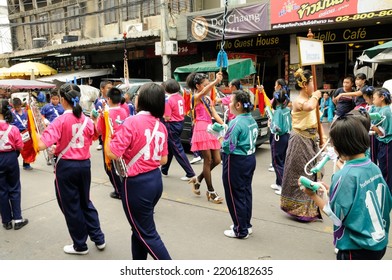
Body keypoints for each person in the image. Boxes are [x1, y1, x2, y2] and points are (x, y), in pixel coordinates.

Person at [302, 112, 392, 260]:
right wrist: (331, 190)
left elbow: (336, 216)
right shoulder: (374, 168)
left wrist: (313, 195)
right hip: (379, 244)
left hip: (356, 249)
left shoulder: (344, 175)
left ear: (337, 147)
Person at [37, 83, 105, 255]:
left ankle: (80, 245)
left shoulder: (59, 121)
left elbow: (40, 145)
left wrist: (36, 131)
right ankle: (98, 237)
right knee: (85, 201)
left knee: (71, 206)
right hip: (84, 165)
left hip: (66, 167)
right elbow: (95, 135)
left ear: (62, 100)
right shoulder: (87, 119)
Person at [105, 82, 171, 260]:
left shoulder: (132, 122)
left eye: (138, 94)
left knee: (146, 233)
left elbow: (112, 153)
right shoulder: (161, 126)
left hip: (137, 185)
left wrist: (108, 134)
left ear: (143, 99)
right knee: (139, 229)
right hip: (155, 181)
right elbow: (163, 159)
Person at [280, 68, 323, 222]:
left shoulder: (311, 99)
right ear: (305, 85)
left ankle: (311, 208)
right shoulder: (300, 100)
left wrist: (322, 137)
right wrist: (317, 96)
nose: (314, 86)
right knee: (302, 173)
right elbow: (309, 107)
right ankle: (299, 208)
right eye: (312, 82)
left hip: (312, 139)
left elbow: (316, 121)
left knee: (315, 172)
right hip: (300, 140)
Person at [221, 90, 257, 239]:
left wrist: (219, 139)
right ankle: (245, 225)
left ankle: (240, 229)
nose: (228, 104)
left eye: (231, 101)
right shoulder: (251, 119)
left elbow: (228, 147)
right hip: (250, 159)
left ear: (238, 104)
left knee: (234, 195)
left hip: (236, 161)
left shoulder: (235, 122)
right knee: (245, 192)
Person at [186, 72, 225, 204]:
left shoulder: (208, 99)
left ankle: (198, 179)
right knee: (207, 160)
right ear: (197, 86)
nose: (208, 87)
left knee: (217, 160)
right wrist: (215, 82)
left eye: (208, 84)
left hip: (210, 129)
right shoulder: (196, 97)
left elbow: (214, 114)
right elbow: (203, 93)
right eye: (205, 85)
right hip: (201, 129)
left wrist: (224, 125)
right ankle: (211, 191)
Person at [92, 87, 128, 199]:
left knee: (110, 168)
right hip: (123, 142)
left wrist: (95, 119)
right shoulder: (124, 110)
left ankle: (119, 191)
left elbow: (98, 130)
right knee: (123, 166)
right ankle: (125, 188)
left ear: (108, 99)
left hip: (110, 144)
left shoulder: (105, 114)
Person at [0, 99, 29, 230]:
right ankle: (18, 219)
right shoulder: (13, 128)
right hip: (11, 158)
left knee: (1, 190)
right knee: (14, 187)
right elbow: (20, 146)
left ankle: (6, 220)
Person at [161, 79, 196, 181]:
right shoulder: (180, 97)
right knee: (170, 147)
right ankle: (164, 169)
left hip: (171, 125)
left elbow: (167, 117)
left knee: (177, 149)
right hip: (180, 123)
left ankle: (190, 173)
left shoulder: (168, 100)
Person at [269, 89, 292, 195]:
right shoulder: (287, 109)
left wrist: (271, 125)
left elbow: (277, 127)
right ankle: (278, 183)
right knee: (283, 160)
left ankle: (283, 186)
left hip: (279, 137)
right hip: (287, 136)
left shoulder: (278, 111)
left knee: (277, 162)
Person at [371, 88, 392, 192]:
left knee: (386, 169)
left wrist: (375, 129)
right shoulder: (381, 110)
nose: (373, 101)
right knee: (383, 167)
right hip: (382, 143)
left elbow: (385, 132)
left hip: (387, 143)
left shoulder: (386, 112)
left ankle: (387, 193)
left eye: (374, 98)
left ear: (382, 97)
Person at [11, 97, 33, 170]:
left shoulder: (25, 112)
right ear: (13, 106)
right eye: (16, 107)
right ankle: (12, 163)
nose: (17, 108)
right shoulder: (12, 114)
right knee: (17, 150)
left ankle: (26, 164)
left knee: (27, 149)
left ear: (21, 105)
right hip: (17, 133)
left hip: (26, 132)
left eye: (19, 107)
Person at [94, 81, 113, 150]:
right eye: (108, 88)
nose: (110, 90)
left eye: (111, 88)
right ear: (102, 89)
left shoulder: (113, 100)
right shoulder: (99, 101)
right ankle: (101, 142)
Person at [363, 86, 378, 164]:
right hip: (370, 132)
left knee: (372, 153)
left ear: (372, 97)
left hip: (372, 132)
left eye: (366, 99)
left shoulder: (375, 108)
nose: (366, 101)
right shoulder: (370, 107)